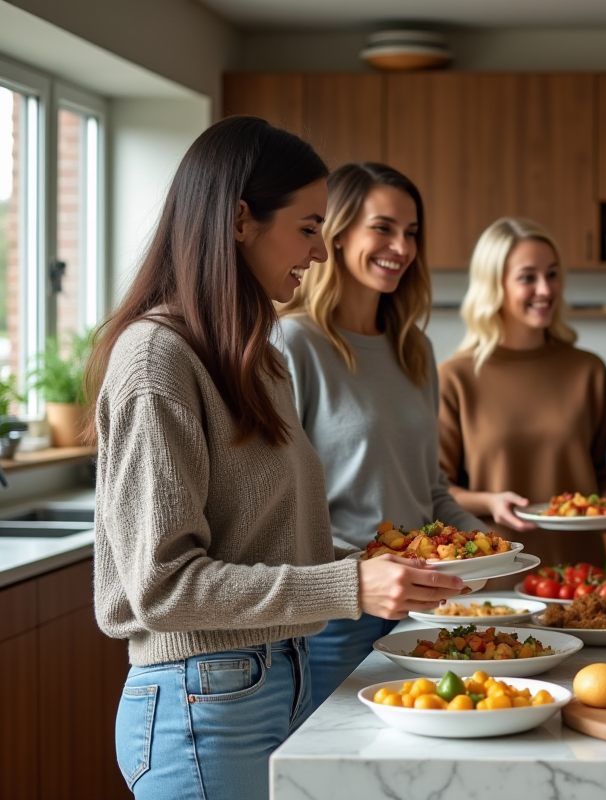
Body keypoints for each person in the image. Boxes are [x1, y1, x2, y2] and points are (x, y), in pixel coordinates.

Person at [88, 118, 463, 800]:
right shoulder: (157, 359)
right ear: (239, 220)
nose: (320, 251)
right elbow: (163, 586)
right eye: (309, 227)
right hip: (201, 700)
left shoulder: (254, 358)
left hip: (270, 676)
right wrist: (350, 586)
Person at [278, 162, 488, 705]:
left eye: (412, 232)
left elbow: (431, 490)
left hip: (423, 610)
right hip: (336, 615)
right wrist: (353, 580)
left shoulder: (413, 348)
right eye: (383, 227)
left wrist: (494, 552)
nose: (400, 245)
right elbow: (280, 506)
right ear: (338, 232)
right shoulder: (293, 344)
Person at [439, 217, 606, 574]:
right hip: (495, 571)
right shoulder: (455, 377)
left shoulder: (588, 370)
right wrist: (490, 501)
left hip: (582, 576)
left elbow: (603, 475)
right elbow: (438, 488)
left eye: (552, 274)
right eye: (527, 277)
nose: (545, 289)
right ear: (494, 286)